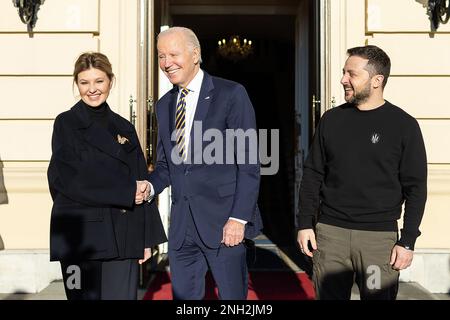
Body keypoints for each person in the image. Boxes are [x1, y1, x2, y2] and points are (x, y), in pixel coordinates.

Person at [138, 26, 262, 300]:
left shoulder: (231, 94)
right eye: (160, 56)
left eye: (173, 54)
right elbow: (165, 166)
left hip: (225, 225)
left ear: (195, 54)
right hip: (182, 230)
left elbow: (249, 164)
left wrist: (238, 219)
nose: (166, 63)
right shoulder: (164, 105)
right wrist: (149, 186)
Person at [297, 45, 427, 300]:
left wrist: (408, 240)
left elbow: (416, 188)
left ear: (377, 80)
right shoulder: (331, 120)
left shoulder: (404, 126)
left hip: (378, 244)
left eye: (351, 74)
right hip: (331, 237)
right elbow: (312, 174)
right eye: (344, 72)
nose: (343, 79)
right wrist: (304, 224)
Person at [47, 52, 167, 300]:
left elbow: (140, 179)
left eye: (99, 81)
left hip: (123, 236)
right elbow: (68, 180)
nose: (92, 89)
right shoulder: (66, 123)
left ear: (110, 81)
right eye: (84, 82)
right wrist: (125, 192)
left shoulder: (124, 127)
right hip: (78, 239)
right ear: (76, 84)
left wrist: (146, 238)